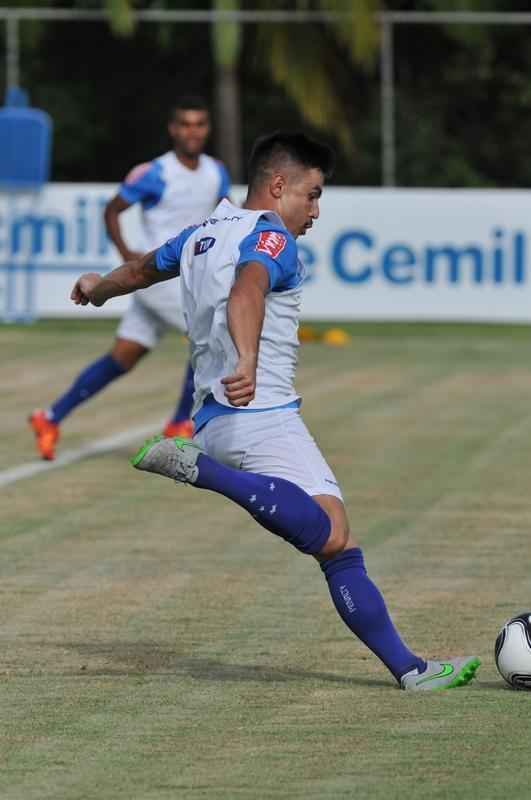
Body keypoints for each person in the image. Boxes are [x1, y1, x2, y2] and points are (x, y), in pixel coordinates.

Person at [70, 131, 480, 690]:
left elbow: (140, 271)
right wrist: (248, 357)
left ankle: (410, 669)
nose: (314, 211)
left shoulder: (200, 235)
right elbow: (248, 288)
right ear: (278, 184)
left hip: (213, 418)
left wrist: (97, 289)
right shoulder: (271, 239)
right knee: (334, 539)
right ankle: (204, 472)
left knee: (335, 533)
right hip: (258, 410)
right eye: (311, 194)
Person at [30, 96, 230, 460]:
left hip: (183, 279)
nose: (192, 131)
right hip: (158, 278)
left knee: (122, 358)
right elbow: (112, 210)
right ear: (173, 129)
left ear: (207, 129)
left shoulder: (217, 172)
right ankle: (179, 425)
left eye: (199, 124)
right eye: (185, 124)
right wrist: (127, 258)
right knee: (210, 334)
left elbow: (224, 215)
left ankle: (49, 416)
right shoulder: (155, 172)